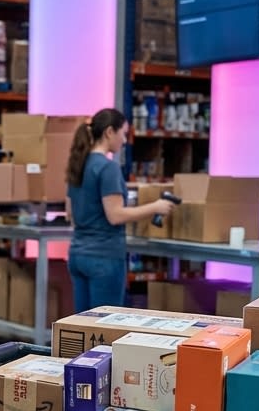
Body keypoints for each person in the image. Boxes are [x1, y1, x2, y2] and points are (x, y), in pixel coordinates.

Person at [66, 107, 177, 312]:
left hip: (77, 256)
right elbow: (115, 215)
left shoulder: (79, 164)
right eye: (123, 133)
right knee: (104, 329)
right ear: (109, 132)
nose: (124, 140)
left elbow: (70, 213)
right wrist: (155, 206)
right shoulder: (108, 168)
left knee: (82, 326)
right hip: (104, 258)